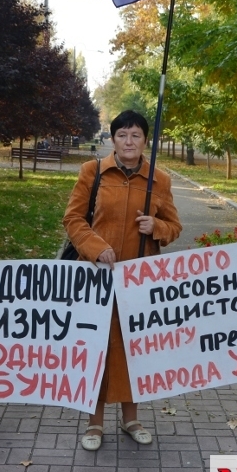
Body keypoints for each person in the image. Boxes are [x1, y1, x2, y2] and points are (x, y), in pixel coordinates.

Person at [63, 110, 182, 451]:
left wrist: (156, 227)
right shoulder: (93, 172)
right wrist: (96, 248)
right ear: (112, 139)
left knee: (135, 349)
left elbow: (174, 227)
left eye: (136, 136)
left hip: (140, 281)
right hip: (98, 278)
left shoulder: (160, 179)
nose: (129, 142)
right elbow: (73, 218)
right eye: (122, 135)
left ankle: (132, 418)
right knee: (97, 348)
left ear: (146, 141)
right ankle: (94, 423)